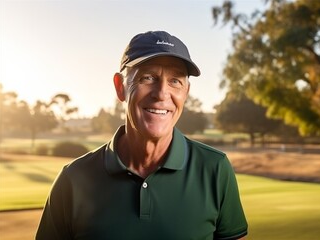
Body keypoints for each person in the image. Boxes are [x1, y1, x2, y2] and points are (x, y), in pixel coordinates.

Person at [36, 30, 248, 240]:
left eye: (175, 81)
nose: (162, 94)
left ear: (186, 92)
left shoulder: (215, 168)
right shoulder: (72, 179)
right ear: (120, 87)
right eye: (148, 78)